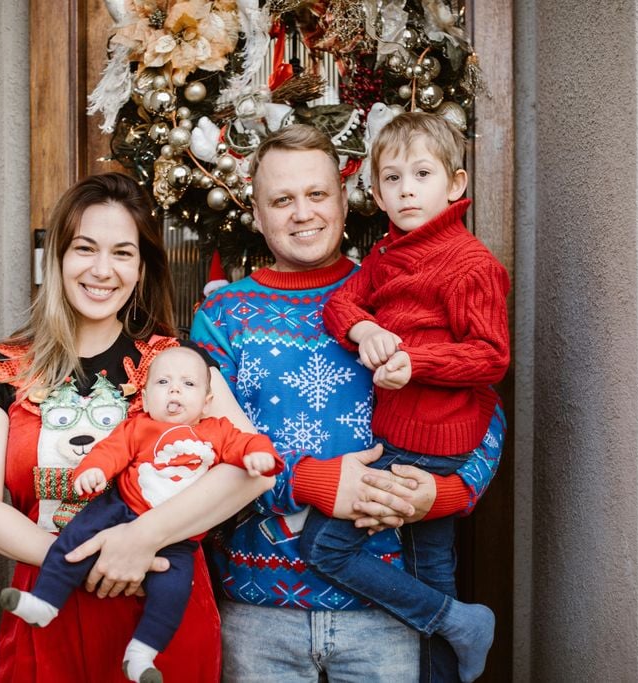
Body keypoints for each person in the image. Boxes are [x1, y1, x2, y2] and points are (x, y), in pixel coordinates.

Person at [188, 124, 505, 682]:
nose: (302, 213)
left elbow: (483, 408)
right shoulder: (223, 316)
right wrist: (310, 482)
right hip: (260, 615)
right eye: (281, 200)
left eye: (317, 194)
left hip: (387, 615)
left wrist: (446, 491)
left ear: (345, 198)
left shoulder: (396, 291)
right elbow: (198, 444)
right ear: (257, 215)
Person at [0, 172, 274, 682]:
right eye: (85, 248)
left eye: (122, 253)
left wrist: (139, 542)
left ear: (141, 267)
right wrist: (90, 561)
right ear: (56, 257)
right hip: (49, 607)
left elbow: (254, 472)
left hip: (161, 608)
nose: (103, 270)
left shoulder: (175, 365)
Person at [300, 111, 510, 683]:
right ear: (375, 190)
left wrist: (414, 363)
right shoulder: (387, 255)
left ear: (455, 185)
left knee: (326, 547)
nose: (406, 189)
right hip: (400, 435)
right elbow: (342, 304)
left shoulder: (470, 265)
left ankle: (458, 622)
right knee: (431, 573)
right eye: (391, 179)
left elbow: (491, 356)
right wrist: (366, 331)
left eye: (422, 174)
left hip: (435, 444)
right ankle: (455, 629)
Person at [0, 346, 283, 682]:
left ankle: (142, 653)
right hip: (121, 508)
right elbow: (110, 452)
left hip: (177, 536)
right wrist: (93, 472)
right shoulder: (139, 427)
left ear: (207, 403)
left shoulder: (217, 431)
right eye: (163, 382)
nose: (175, 390)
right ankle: (44, 603)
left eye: (188, 385)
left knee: (173, 591)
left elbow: (251, 444)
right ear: (146, 399)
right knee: (74, 536)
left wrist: (260, 456)